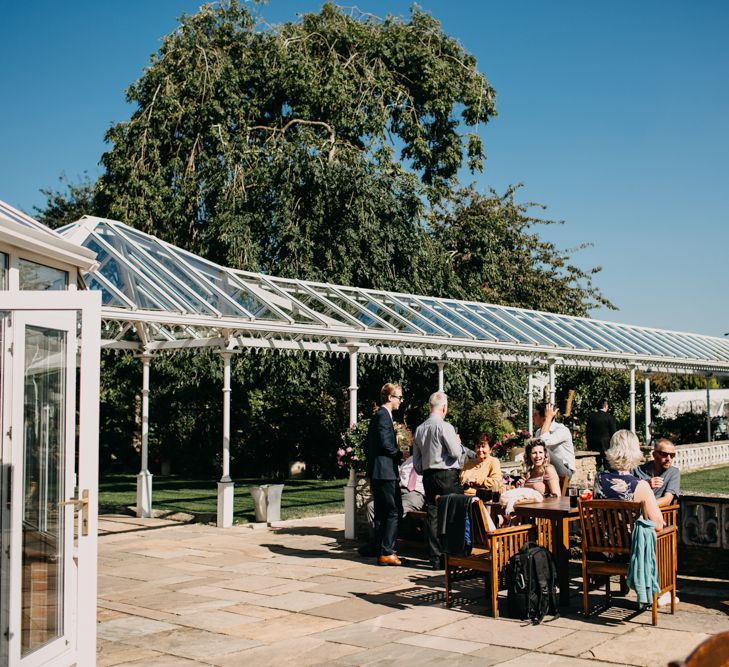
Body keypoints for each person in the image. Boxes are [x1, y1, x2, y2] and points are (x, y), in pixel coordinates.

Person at [413, 391, 474, 570]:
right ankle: (455, 555)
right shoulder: (445, 427)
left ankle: (435, 558)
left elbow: (417, 464)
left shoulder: (419, 429)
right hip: (447, 475)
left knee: (433, 515)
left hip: (428, 476)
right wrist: (457, 442)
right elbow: (455, 453)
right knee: (456, 512)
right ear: (445, 408)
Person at [364, 383, 405, 566]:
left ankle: (378, 546)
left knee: (381, 511)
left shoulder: (380, 415)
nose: (401, 401)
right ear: (390, 397)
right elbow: (386, 444)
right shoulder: (383, 415)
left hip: (379, 471)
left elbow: (368, 445)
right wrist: (400, 454)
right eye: (399, 397)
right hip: (385, 471)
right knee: (394, 510)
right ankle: (387, 551)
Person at [593, 429, 664, 529]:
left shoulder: (599, 478)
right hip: (630, 543)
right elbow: (658, 525)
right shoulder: (640, 485)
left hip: (601, 541)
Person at [364, 449, 425, 529]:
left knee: (392, 510)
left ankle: (388, 538)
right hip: (398, 492)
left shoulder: (430, 461)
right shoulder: (410, 459)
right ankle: (377, 539)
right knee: (371, 506)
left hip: (414, 494)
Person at [533, 401, 576, 481]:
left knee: (541, 449)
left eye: (535, 415)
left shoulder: (561, 430)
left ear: (544, 417)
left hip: (565, 470)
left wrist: (548, 418)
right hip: (547, 469)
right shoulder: (539, 432)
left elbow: (542, 443)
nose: (532, 417)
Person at [632, 438, 680, 508]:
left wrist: (643, 507)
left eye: (672, 455)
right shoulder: (637, 470)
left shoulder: (673, 472)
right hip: (632, 512)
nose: (668, 459)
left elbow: (667, 500)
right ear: (654, 454)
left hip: (654, 513)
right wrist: (647, 485)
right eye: (664, 454)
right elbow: (628, 493)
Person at [586, 398, 617, 470]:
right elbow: (613, 433)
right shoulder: (610, 417)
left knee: (596, 465)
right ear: (606, 406)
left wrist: (588, 444)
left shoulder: (591, 417)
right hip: (606, 445)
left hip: (593, 444)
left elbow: (588, 431)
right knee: (608, 465)